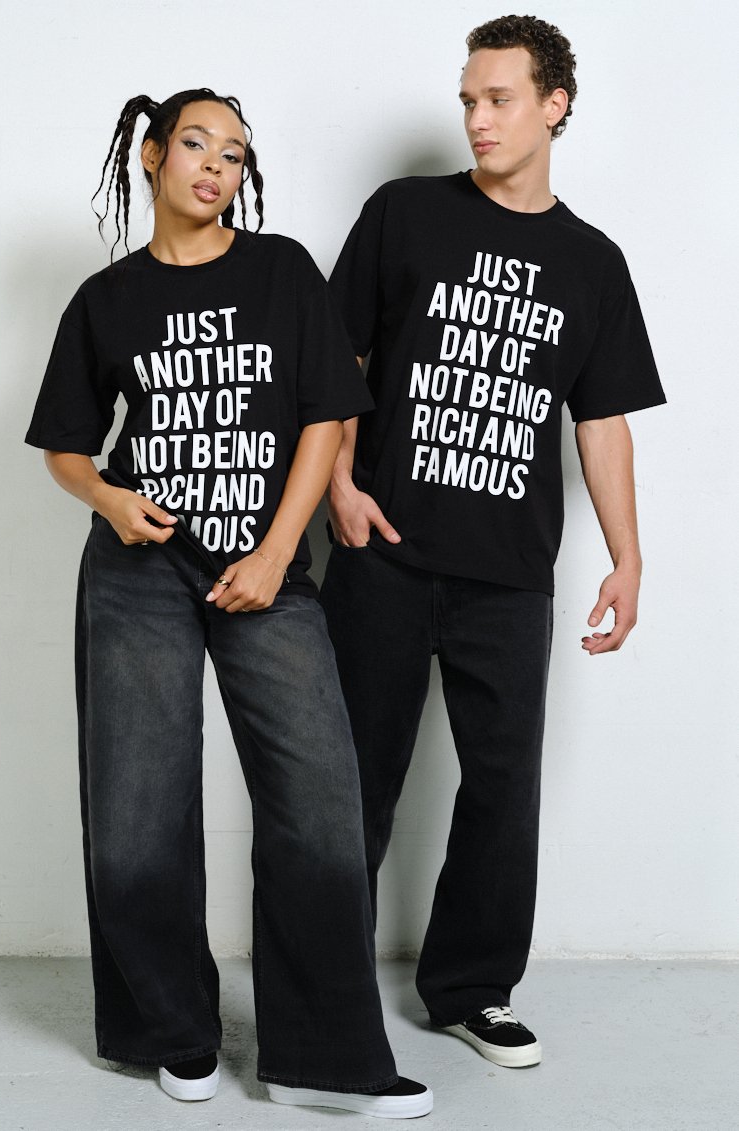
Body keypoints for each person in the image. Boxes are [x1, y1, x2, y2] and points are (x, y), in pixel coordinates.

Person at [25, 88, 432, 1120]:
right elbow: (69, 450)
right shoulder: (104, 300)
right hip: (137, 568)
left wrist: (276, 548)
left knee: (319, 807)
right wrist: (110, 497)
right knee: (135, 814)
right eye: (197, 144)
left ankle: (327, 1060)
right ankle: (173, 1031)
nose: (217, 165)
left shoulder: (281, 270)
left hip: (264, 565)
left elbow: (327, 417)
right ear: (153, 156)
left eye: (236, 153)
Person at [321, 14, 665, 1071]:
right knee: (347, 786)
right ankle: (323, 989)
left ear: (553, 103)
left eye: (498, 97)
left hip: (509, 577)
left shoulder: (591, 263)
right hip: (381, 552)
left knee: (503, 791)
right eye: (467, 97)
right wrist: (335, 482)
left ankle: (470, 989)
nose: (475, 116)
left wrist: (629, 556)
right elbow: (335, 361)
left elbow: (598, 420)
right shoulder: (404, 215)